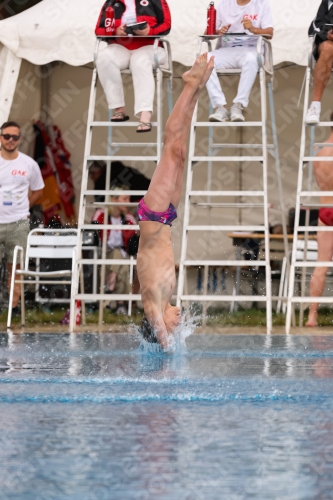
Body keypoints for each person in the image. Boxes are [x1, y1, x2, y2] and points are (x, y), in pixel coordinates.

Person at [137, 53, 215, 352]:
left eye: (174, 324)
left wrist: (166, 344)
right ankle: (196, 90)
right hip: (166, 218)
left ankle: (189, 86)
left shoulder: (152, 302)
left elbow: (157, 329)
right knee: (181, 150)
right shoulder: (166, 296)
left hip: (152, 217)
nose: (179, 318)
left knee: (171, 149)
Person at [96, 0, 171, 133]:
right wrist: (115, 31)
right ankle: (119, 108)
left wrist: (150, 31)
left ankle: (145, 114)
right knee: (103, 59)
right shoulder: (111, 3)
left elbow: (166, 24)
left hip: (150, 47)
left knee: (140, 61)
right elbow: (99, 29)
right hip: (120, 47)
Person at [0, 121, 44, 312]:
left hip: (19, 222)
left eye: (14, 137)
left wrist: (24, 207)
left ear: (20, 139)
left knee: (15, 266)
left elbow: (38, 190)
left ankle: (14, 307)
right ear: (0, 137)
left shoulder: (29, 164)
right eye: (6, 136)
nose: (10, 140)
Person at [206, 0, 273, 123]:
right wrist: (218, 32)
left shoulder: (261, 4)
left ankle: (238, 105)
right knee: (205, 59)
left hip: (252, 50)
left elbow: (269, 33)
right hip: (228, 50)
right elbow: (208, 34)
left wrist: (254, 29)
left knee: (251, 59)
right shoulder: (224, 4)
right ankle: (220, 107)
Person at [306, 113, 333, 327]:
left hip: (325, 209)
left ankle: (312, 316)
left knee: (321, 265)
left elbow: (319, 181)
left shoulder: (318, 150)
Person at [92, 187, 137, 314]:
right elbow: (92, 235)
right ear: (114, 199)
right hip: (103, 252)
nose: (128, 202)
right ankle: (120, 304)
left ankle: (109, 292)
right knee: (119, 256)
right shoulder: (101, 213)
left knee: (123, 263)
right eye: (125, 199)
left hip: (122, 254)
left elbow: (133, 244)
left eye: (129, 199)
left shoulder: (128, 218)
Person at [306, 1, 333, 125]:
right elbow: (314, 28)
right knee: (328, 48)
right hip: (330, 45)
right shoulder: (328, 2)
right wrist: (327, 34)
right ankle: (315, 107)